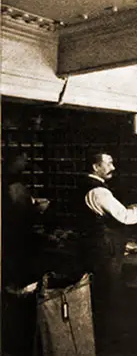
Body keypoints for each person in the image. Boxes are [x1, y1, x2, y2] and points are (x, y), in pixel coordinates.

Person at [73, 151, 137, 353]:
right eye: (109, 163)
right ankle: (111, 346)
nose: (113, 168)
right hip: (106, 252)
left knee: (100, 296)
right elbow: (126, 218)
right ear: (96, 167)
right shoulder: (99, 191)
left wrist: (129, 208)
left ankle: (100, 343)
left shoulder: (85, 186)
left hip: (93, 249)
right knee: (109, 298)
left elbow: (104, 214)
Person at [1, 150, 50, 355]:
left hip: (12, 245)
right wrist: (36, 210)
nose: (27, 163)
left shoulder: (10, 183)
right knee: (21, 294)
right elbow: (19, 214)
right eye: (24, 159)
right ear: (15, 161)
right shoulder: (12, 185)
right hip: (18, 245)